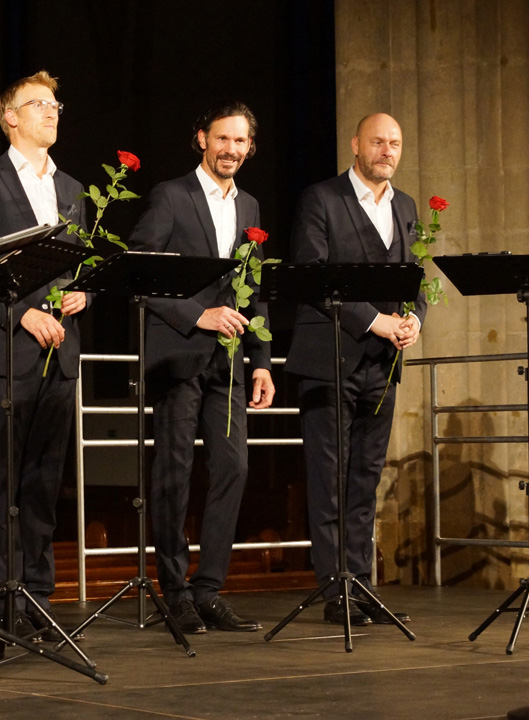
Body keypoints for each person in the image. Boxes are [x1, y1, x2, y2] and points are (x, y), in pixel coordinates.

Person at [0, 70, 89, 641]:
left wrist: (85, 291)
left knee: (43, 483)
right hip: (4, 356)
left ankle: (40, 598)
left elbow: (85, 266)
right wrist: (21, 314)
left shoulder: (74, 189)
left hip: (60, 355)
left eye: (55, 103)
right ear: (10, 116)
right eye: (37, 104)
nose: (50, 112)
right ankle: (7, 601)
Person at [130, 100, 274, 635]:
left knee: (234, 467)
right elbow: (142, 275)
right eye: (223, 139)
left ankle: (209, 589)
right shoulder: (171, 196)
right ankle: (175, 590)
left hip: (230, 363)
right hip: (178, 353)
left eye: (241, 141)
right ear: (202, 140)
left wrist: (261, 361)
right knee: (173, 475)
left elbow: (254, 289)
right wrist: (198, 315)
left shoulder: (251, 206)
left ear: (249, 148)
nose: (231, 149)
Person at [284, 112, 426, 626]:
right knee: (331, 476)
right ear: (356, 144)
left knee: (365, 477)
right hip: (330, 361)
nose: (387, 151)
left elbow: (417, 278)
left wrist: (412, 321)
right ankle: (334, 590)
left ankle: (361, 585)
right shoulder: (322, 199)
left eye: (395, 143)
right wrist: (376, 322)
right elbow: (314, 277)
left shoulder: (406, 207)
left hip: (382, 366)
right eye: (378, 142)